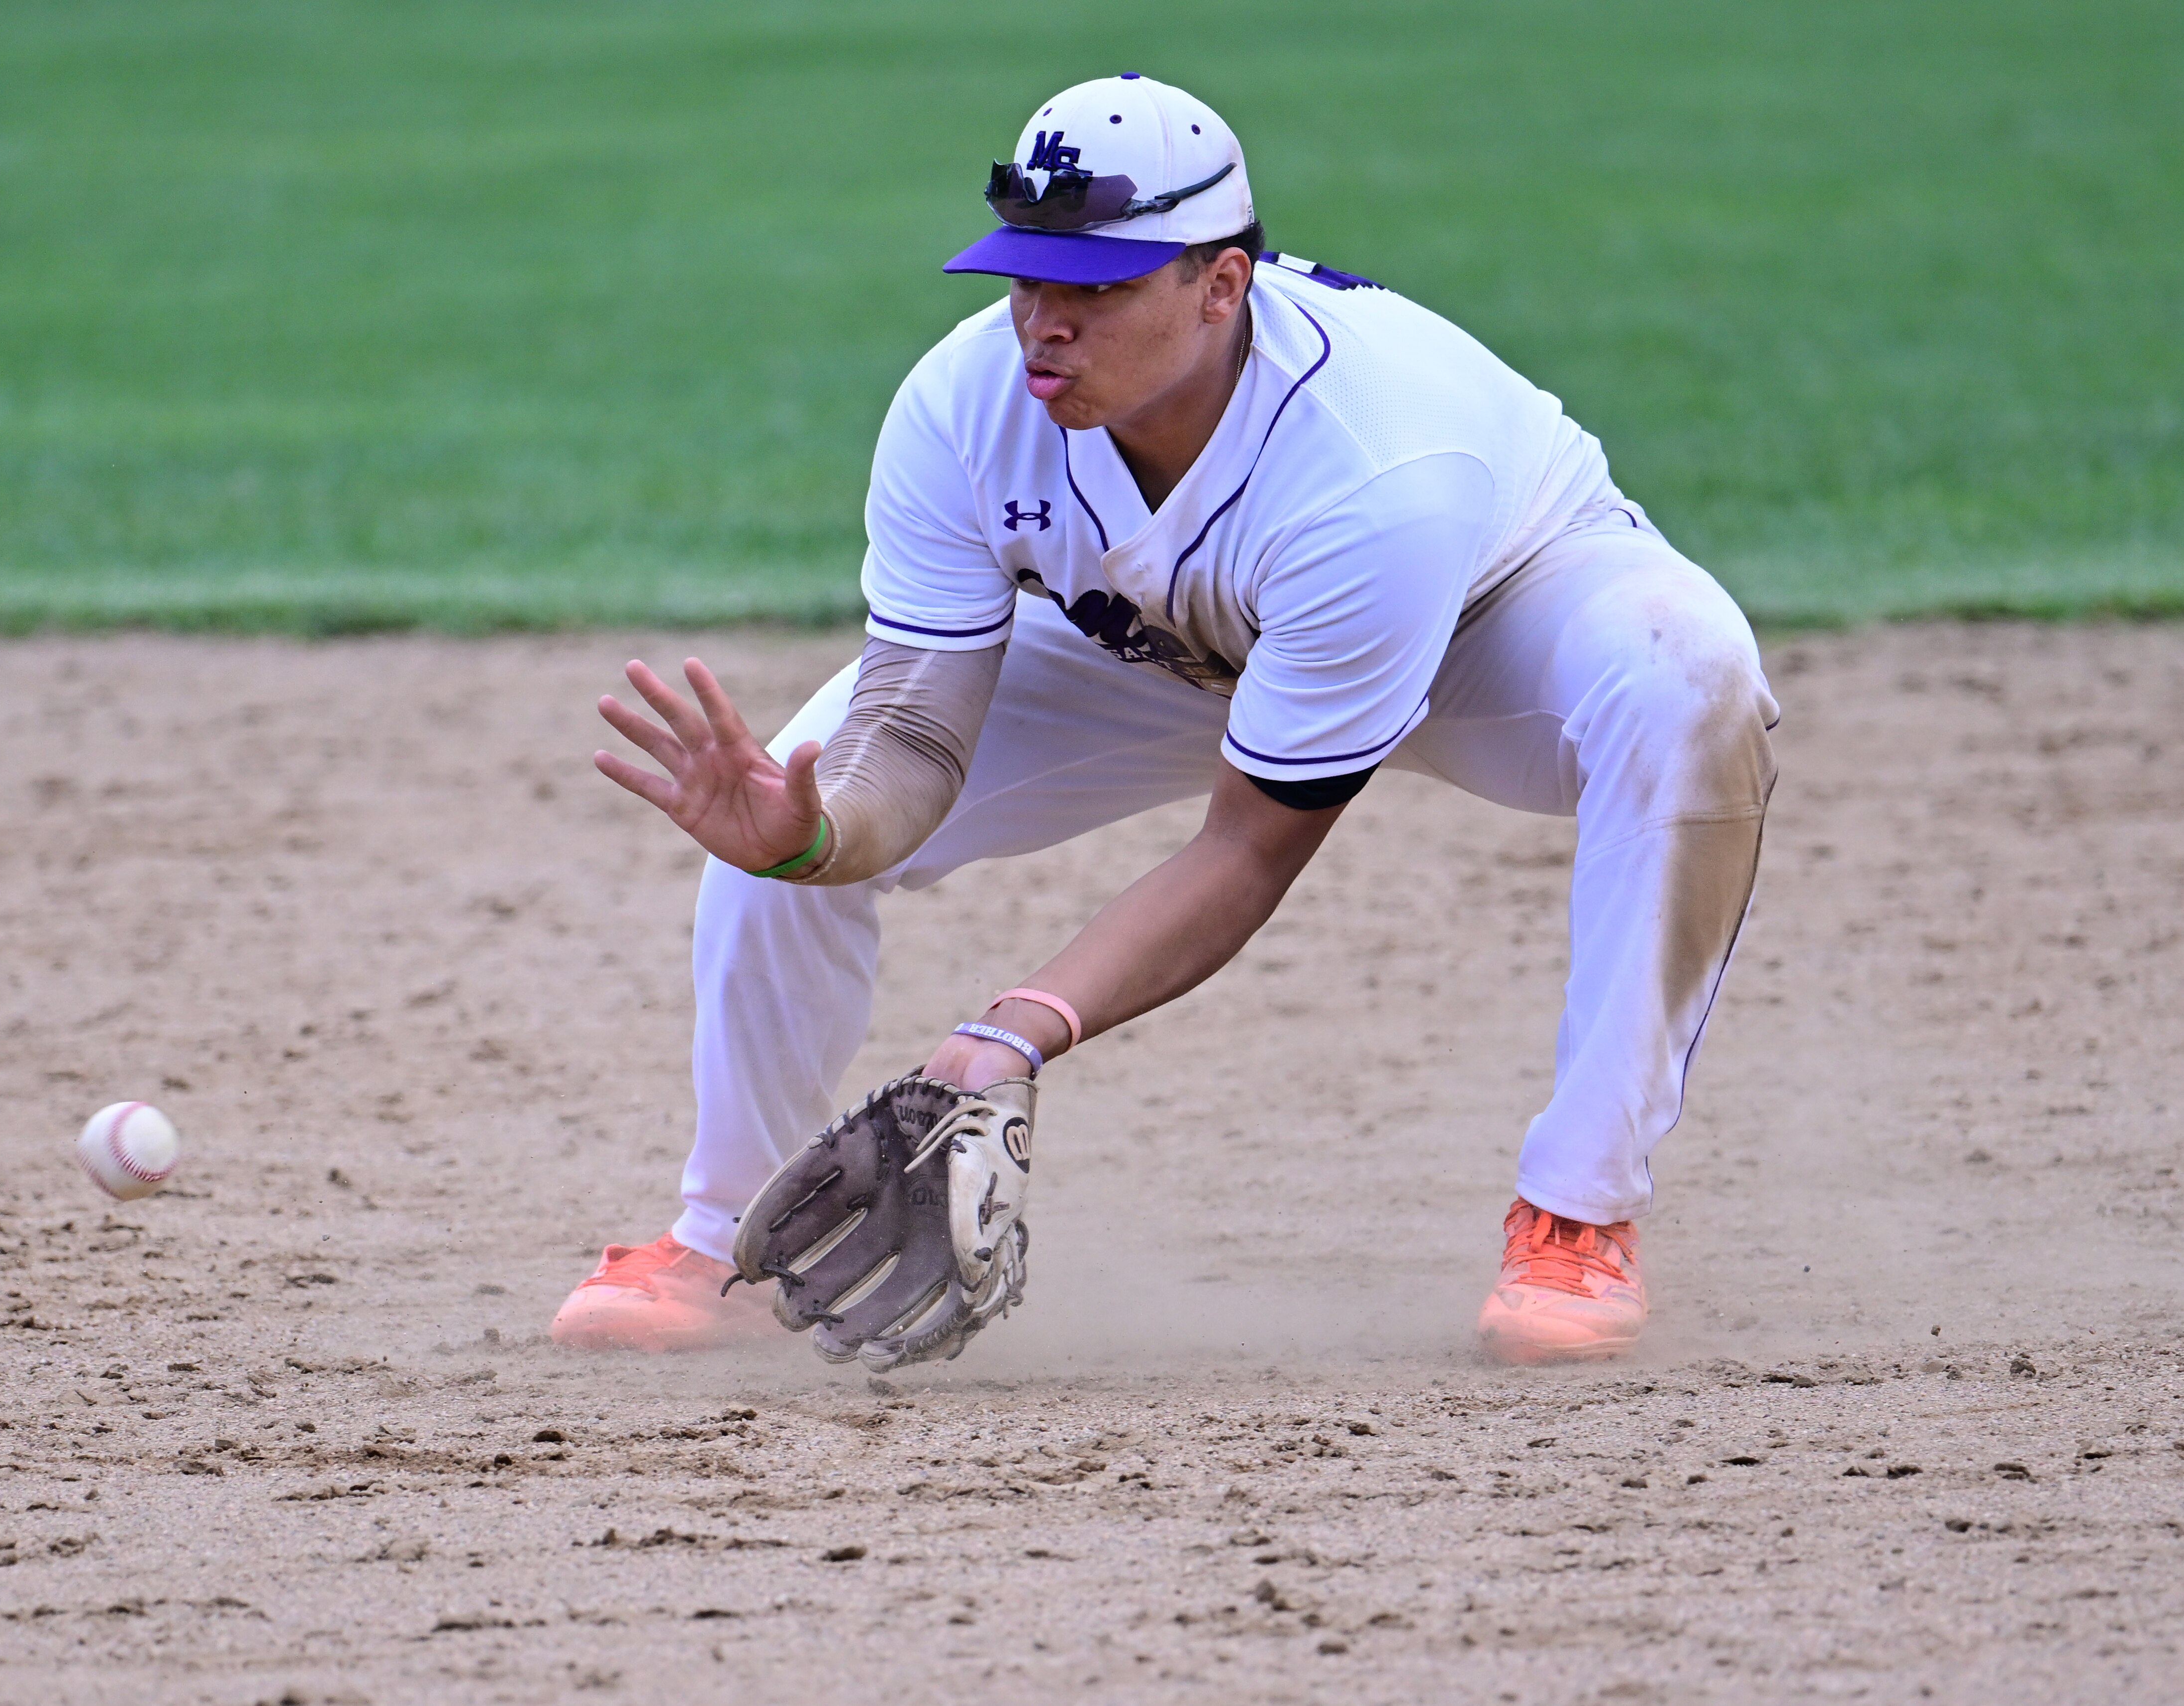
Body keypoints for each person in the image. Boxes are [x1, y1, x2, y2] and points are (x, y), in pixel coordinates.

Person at [552, 74, 1776, 1365]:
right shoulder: (963, 409)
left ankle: (1577, 1215)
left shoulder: (1380, 467)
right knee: (780, 798)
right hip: (1160, 652)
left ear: (1222, 286)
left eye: (1099, 288)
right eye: (1028, 280)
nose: (1046, 325)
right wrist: (813, 834)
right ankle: (716, 1241)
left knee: (1686, 676)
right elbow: (913, 736)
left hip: (1494, 624)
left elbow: (1250, 848)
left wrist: (1012, 1031)